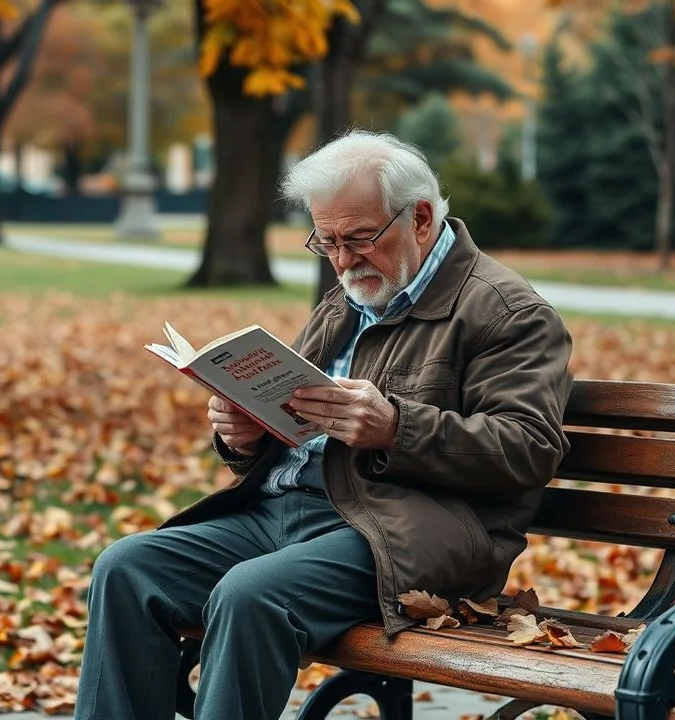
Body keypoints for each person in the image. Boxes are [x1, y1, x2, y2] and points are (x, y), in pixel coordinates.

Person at [74, 130, 574, 720]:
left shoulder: (506, 311)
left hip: (411, 534)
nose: (342, 261)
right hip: (286, 514)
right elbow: (297, 420)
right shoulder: (349, 298)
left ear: (419, 218)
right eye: (327, 241)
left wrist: (396, 428)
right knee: (127, 568)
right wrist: (245, 435)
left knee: (250, 595)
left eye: (358, 238)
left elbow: (529, 448)